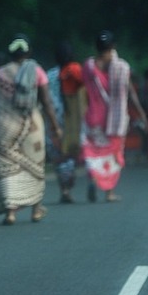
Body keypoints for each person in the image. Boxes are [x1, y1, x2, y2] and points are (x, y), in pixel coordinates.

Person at [0, 35, 62, 225]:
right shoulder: (36, 71)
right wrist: (55, 126)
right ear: (28, 52)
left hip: (4, 127)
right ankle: (36, 210)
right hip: (32, 127)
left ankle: (10, 212)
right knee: (35, 168)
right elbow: (46, 102)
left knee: (6, 169)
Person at [81, 30, 146, 202]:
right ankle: (109, 192)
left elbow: (83, 91)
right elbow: (130, 92)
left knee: (93, 152)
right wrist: (141, 112)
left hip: (93, 117)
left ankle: (93, 178)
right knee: (113, 154)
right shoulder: (122, 67)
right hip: (114, 120)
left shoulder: (88, 66)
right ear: (114, 46)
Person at [49, 41, 85, 203]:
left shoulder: (49, 75)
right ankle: (67, 186)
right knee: (71, 155)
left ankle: (63, 188)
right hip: (72, 121)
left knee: (59, 156)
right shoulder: (77, 73)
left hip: (53, 120)